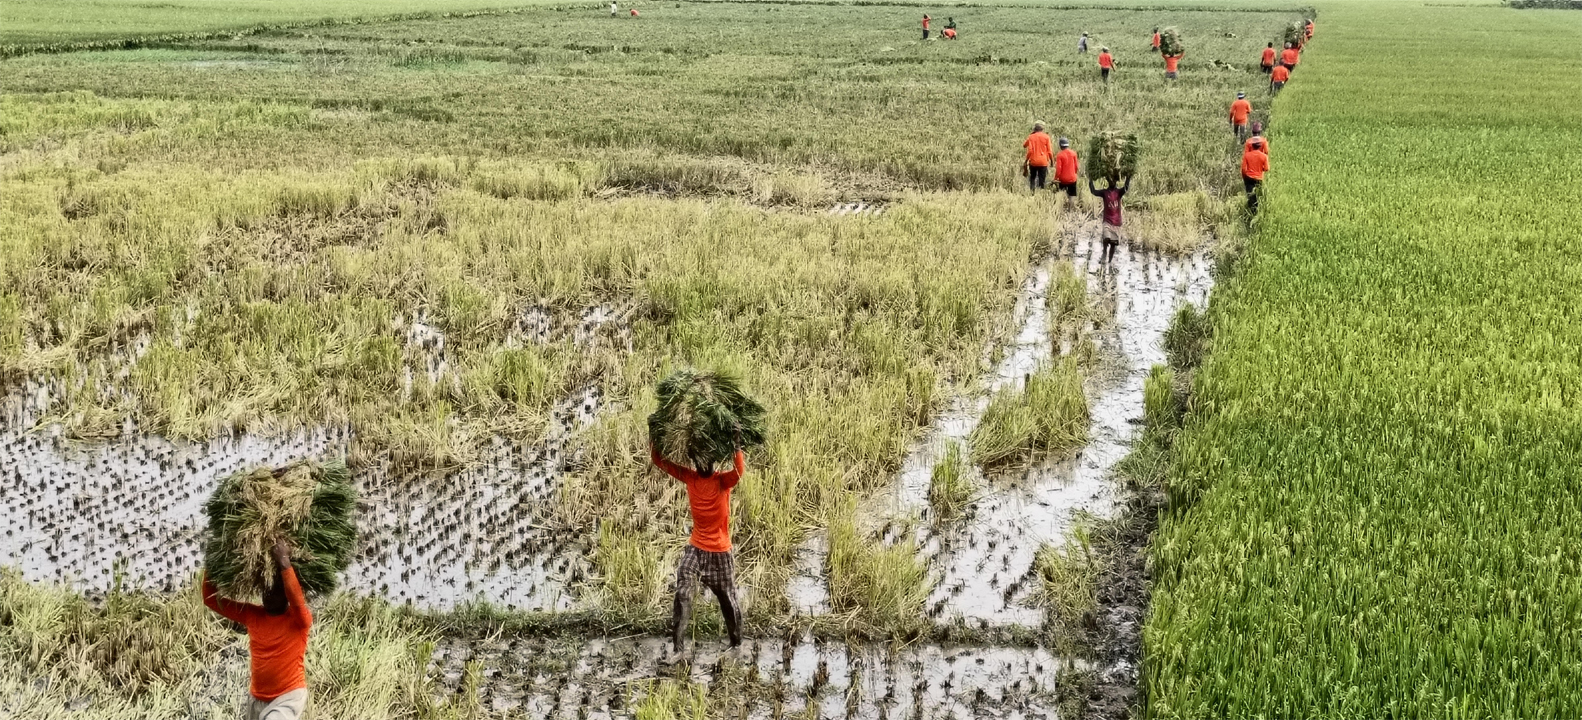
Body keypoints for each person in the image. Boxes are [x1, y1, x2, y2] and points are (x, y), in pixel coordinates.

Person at [653, 442, 747, 654]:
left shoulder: (723, 481)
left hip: (721, 553)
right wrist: (654, 435)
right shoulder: (690, 477)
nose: (703, 465)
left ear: (713, 461)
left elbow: (739, 471)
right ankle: (678, 649)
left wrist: (736, 445)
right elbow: (659, 461)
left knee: (728, 601)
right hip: (696, 549)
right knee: (683, 593)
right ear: (694, 462)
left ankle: (737, 645)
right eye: (699, 461)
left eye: (707, 460)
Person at [203, 540, 311, 720]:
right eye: (265, 590)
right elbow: (210, 599)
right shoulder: (252, 615)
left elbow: (298, 600)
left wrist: (284, 561)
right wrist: (212, 562)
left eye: (273, 591)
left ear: (285, 594)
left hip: (288, 696)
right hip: (257, 699)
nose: (267, 595)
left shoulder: (298, 620)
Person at [1089, 174, 1130, 263]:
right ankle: (1104, 253)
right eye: (1110, 180)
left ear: (1115, 182)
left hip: (1116, 222)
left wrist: (1128, 177)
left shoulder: (1119, 192)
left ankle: (1109, 262)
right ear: (1108, 182)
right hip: (1107, 220)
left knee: (1113, 244)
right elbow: (1093, 191)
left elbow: (1126, 188)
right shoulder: (1104, 192)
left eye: (1113, 181)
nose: (1112, 182)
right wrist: (1090, 180)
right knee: (1106, 238)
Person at [1022, 122, 1054, 193]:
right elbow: (1049, 151)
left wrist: (1026, 160)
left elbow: (1025, 146)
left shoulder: (1031, 137)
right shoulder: (1046, 137)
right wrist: (1052, 161)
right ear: (1042, 129)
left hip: (1033, 162)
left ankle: (1032, 193)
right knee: (1042, 180)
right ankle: (1041, 194)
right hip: (1043, 162)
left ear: (1034, 129)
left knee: (1032, 178)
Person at [1241, 138, 1269, 214]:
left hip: (1249, 178)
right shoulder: (1264, 156)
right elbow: (1266, 169)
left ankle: (1249, 210)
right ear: (1260, 147)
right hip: (1259, 178)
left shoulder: (1247, 155)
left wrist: (1245, 177)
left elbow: (1243, 169)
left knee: (1250, 195)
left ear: (1252, 146)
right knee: (1257, 195)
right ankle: (1256, 211)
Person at [1054, 137, 1080, 210]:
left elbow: (1058, 169)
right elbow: (1076, 166)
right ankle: (1071, 209)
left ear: (1060, 145)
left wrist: (1055, 178)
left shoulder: (1060, 155)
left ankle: (1062, 207)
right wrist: (1074, 174)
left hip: (1063, 179)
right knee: (1072, 194)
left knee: (1062, 193)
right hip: (1072, 178)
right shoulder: (1073, 153)